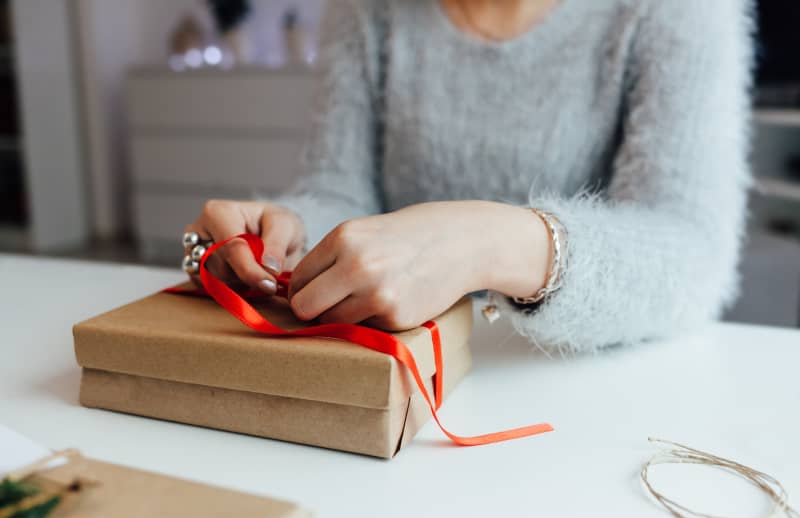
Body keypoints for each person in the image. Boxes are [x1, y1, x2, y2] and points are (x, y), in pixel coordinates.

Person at [184, 0, 752, 352]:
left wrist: (490, 243)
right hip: (404, 395)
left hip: (586, 398)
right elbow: (341, 190)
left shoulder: (677, 9)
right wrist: (288, 234)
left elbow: (694, 255)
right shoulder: (368, 9)